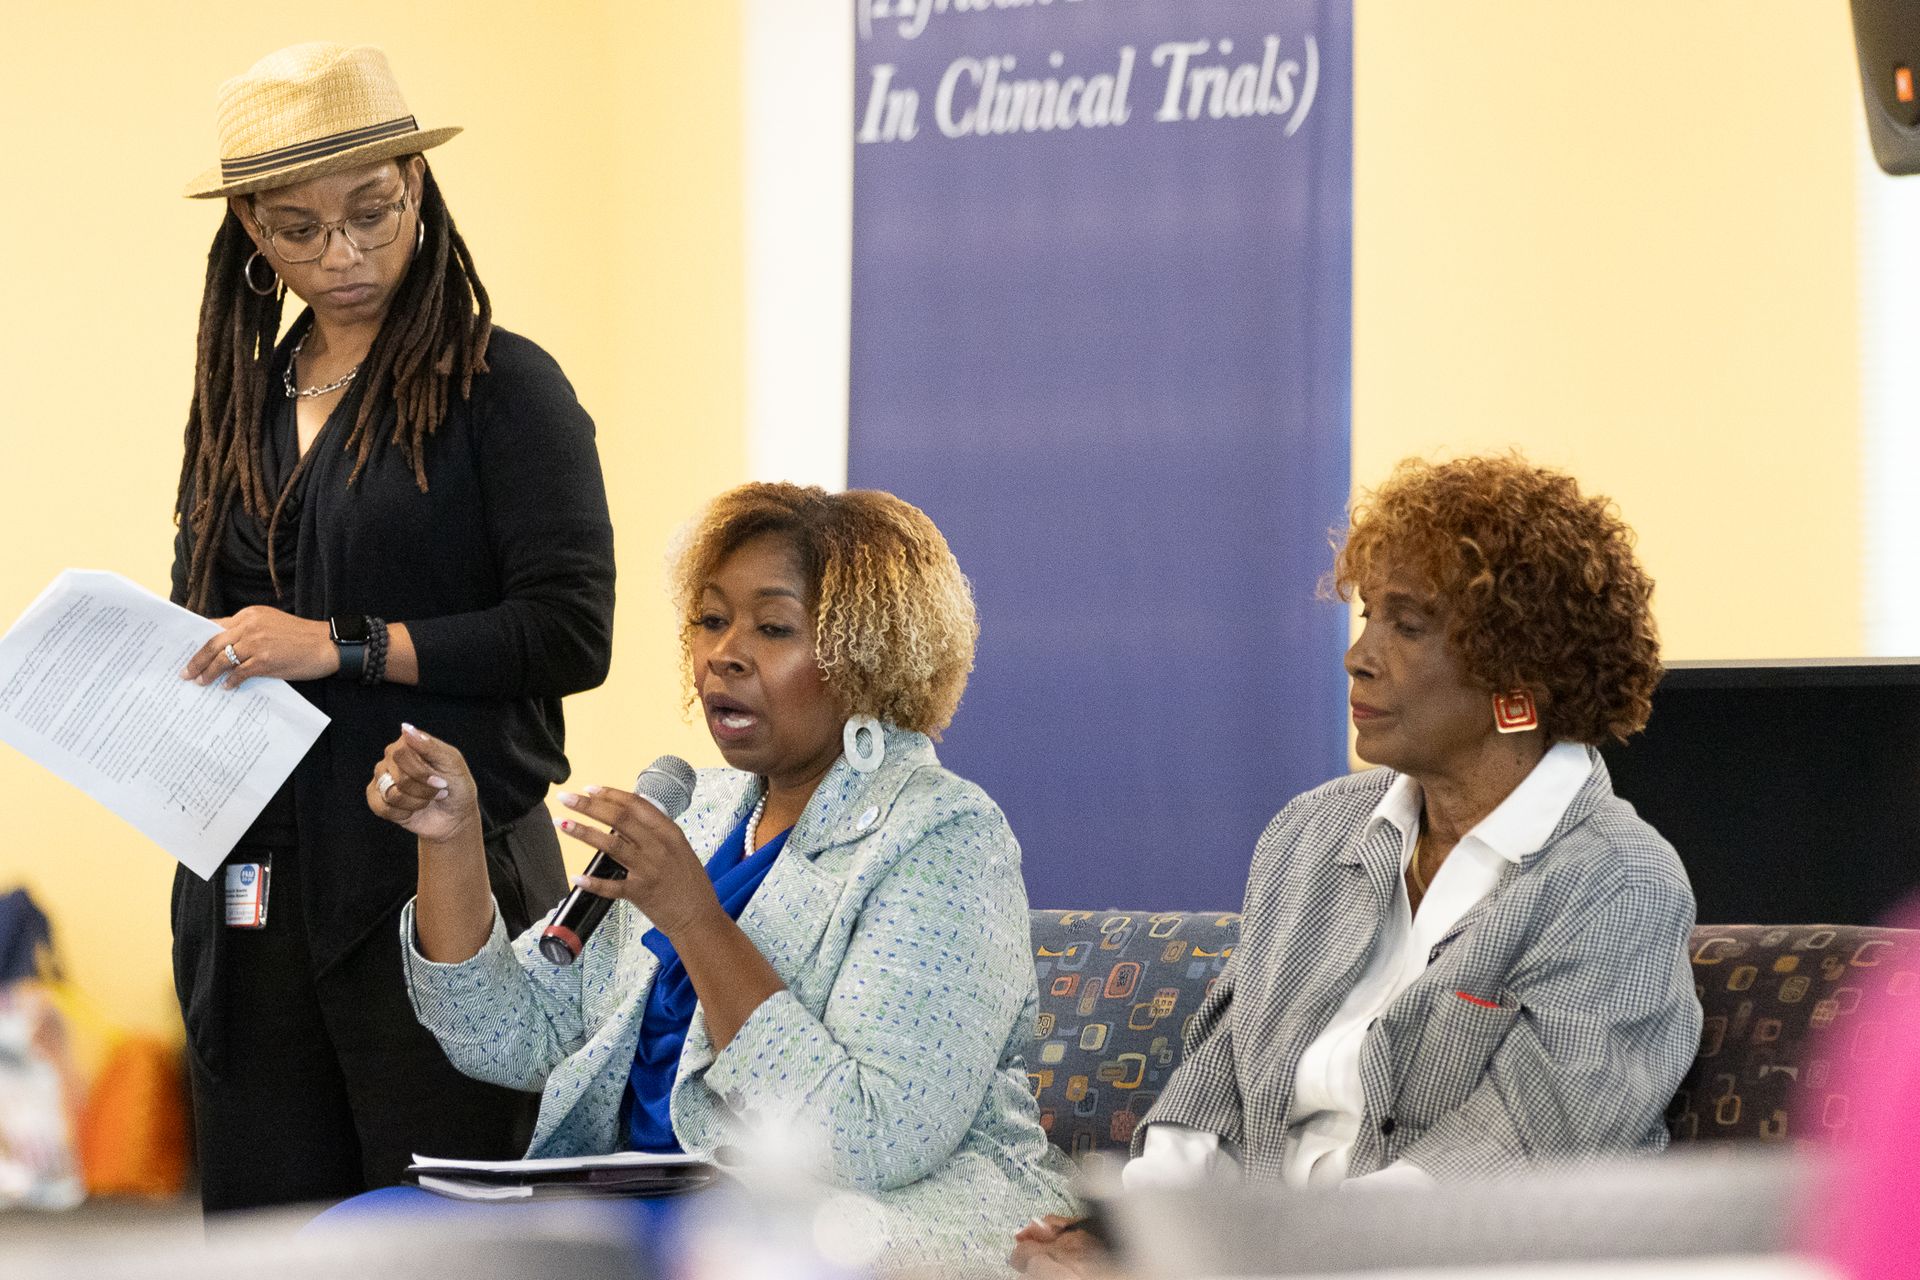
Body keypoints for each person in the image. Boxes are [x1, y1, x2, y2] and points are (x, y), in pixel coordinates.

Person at [1016, 455, 1701, 1274]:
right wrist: (1144, 1236)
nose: (1359, 655)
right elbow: (1220, 1079)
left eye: (1407, 626)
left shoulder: (1617, 885)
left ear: (1519, 674)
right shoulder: (1312, 833)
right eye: (1368, 615)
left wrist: (1252, 1257)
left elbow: (1520, 1153)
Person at [367, 483, 1076, 1273]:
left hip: (840, 1223)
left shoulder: (942, 837)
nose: (723, 654)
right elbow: (503, 1031)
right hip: (634, 1205)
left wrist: (696, 922)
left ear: (871, 656)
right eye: (710, 620)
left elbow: (869, 1139)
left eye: (772, 628)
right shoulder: (696, 812)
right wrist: (452, 836)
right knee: (355, 1241)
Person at [168, 43, 615, 1212]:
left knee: (445, 1223)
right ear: (250, 235)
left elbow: (571, 630)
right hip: (257, 890)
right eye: (297, 229)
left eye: (372, 212)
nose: (344, 254)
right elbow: (205, 616)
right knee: (272, 1227)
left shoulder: (501, 388)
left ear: (417, 183)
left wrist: (344, 641)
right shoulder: (240, 402)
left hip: (438, 884)